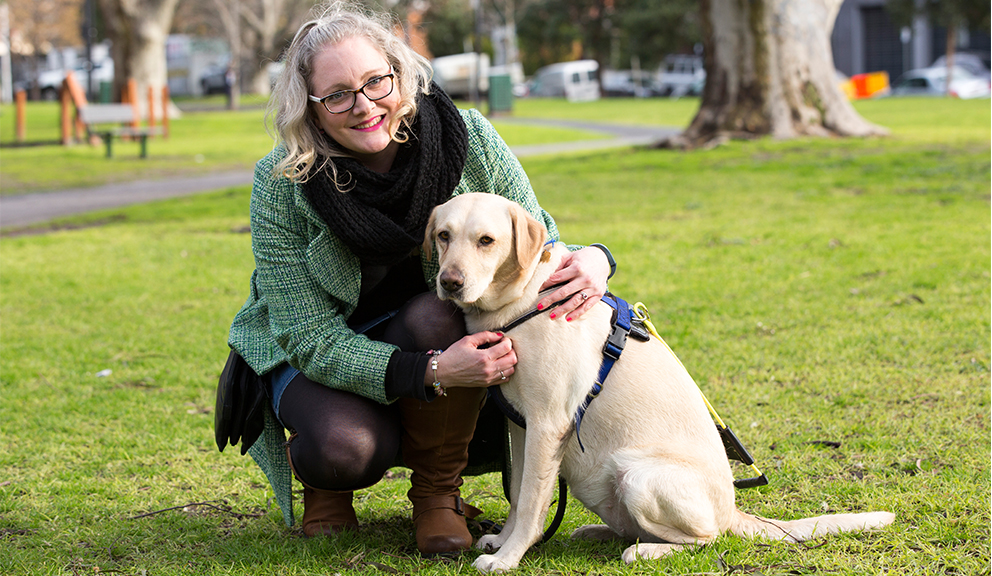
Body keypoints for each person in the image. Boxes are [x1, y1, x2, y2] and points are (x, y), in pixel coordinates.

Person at [225, 0, 613, 556]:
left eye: (375, 82)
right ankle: (323, 480)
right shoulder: (283, 180)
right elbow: (307, 337)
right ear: (309, 106)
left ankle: (437, 493)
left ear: (399, 74)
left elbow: (538, 242)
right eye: (337, 94)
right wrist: (432, 371)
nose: (364, 106)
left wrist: (597, 258)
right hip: (319, 354)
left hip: (430, 332)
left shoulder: (466, 137)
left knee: (437, 313)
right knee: (345, 449)